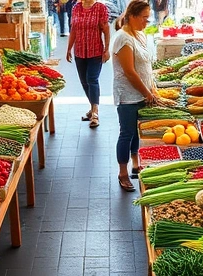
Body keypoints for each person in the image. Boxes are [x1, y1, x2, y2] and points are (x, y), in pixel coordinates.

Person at [112, 0, 158, 192]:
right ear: (132, 16)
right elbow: (129, 72)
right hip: (128, 95)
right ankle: (123, 173)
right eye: (144, 18)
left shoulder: (138, 34)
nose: (146, 22)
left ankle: (136, 164)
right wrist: (147, 93)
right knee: (126, 133)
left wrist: (151, 86)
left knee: (135, 131)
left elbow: (145, 65)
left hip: (141, 93)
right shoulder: (123, 38)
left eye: (148, 18)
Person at [67, 0, 111, 128]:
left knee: (92, 79)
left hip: (95, 51)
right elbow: (74, 30)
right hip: (79, 51)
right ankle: (92, 108)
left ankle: (95, 114)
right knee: (84, 81)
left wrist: (107, 49)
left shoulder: (100, 8)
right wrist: (69, 48)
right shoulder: (76, 8)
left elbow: (106, 30)